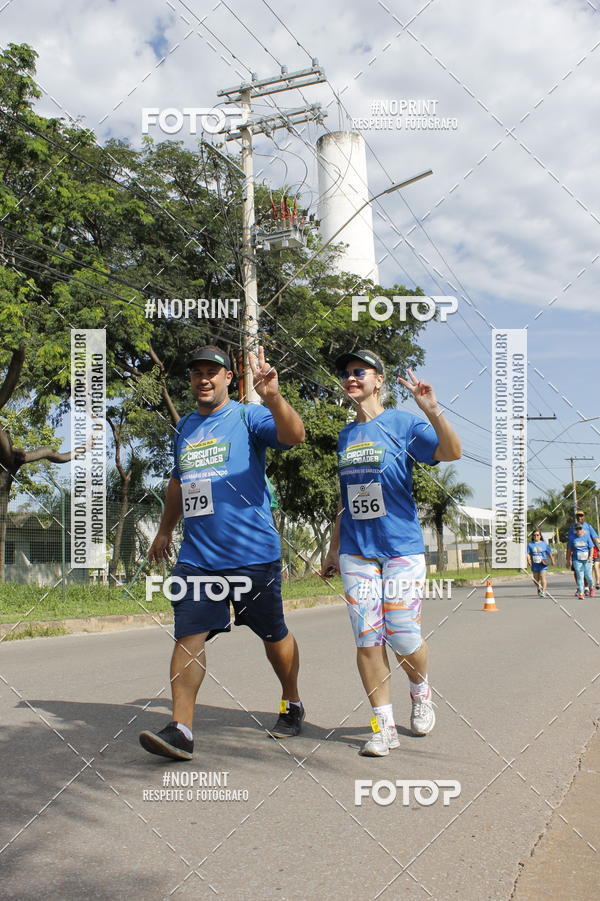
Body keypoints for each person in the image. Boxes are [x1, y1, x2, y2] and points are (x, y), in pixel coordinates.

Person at [139, 345, 306, 760]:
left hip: (252, 553)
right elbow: (178, 484)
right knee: (188, 634)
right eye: (196, 372)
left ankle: (291, 699)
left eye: (212, 372)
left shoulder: (249, 417)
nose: (203, 379)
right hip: (199, 557)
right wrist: (164, 530)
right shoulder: (185, 429)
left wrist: (273, 397)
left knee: (273, 634)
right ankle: (181, 729)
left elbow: (294, 436)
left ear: (229, 377)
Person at [321, 350, 461, 757]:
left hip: (400, 548)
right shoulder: (346, 436)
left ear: (378, 380)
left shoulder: (402, 423)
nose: (351, 378)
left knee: (401, 633)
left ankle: (420, 690)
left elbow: (452, 452)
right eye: (346, 373)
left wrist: (433, 411)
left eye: (359, 372)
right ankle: (383, 727)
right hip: (357, 553)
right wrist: (334, 548)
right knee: (367, 638)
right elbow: (347, 499)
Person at [567, 511, 600, 596]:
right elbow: (570, 542)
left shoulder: (588, 526)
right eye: (578, 516)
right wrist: (568, 559)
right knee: (577, 572)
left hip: (587, 553)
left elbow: (595, 538)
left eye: (581, 516)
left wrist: (598, 548)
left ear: (584, 517)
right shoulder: (572, 527)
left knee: (587, 573)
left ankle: (588, 587)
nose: (579, 517)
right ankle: (580, 588)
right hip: (576, 554)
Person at [526, 530, 555, 596]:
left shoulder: (544, 544)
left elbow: (549, 552)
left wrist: (552, 560)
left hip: (543, 563)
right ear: (532, 536)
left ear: (540, 536)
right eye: (534, 535)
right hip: (535, 564)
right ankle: (539, 588)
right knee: (536, 579)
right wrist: (529, 560)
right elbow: (528, 553)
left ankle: (544, 591)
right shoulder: (530, 544)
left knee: (542, 577)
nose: (536, 536)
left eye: (537, 535)